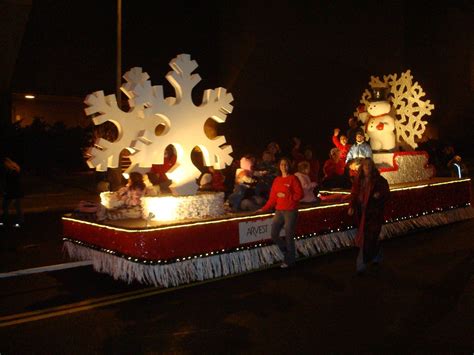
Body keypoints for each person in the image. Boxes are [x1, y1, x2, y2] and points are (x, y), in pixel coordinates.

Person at [257, 157, 303, 268]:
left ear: (289, 166)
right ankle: (288, 252)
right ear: (279, 166)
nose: (284, 166)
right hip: (279, 210)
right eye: (282, 164)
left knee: (288, 235)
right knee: (274, 234)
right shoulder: (277, 180)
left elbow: (300, 195)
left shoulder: (293, 178)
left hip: (290, 211)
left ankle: (289, 260)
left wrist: (288, 196)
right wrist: (263, 209)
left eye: (286, 164)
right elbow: (272, 198)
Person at [348, 158, 390, 274]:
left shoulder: (378, 180)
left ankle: (361, 265)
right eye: (365, 165)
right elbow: (354, 194)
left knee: (368, 238)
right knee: (370, 237)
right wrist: (351, 206)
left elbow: (386, 193)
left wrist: (379, 194)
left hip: (373, 213)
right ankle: (377, 256)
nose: (366, 167)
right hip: (362, 213)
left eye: (368, 165)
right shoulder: (359, 180)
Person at [1, 157, 24, 227]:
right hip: (11, 193)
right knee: (7, 207)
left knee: (14, 207)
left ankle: (18, 222)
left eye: (6, 164)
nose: (5, 165)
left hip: (14, 193)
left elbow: (15, 185)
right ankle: (5, 221)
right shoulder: (9, 172)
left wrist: (12, 195)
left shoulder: (14, 173)